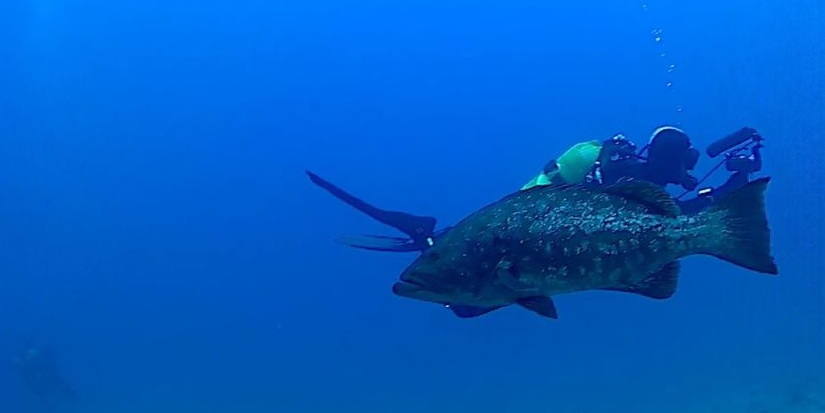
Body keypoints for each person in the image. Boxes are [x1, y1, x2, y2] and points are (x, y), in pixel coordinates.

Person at [306, 125, 765, 252]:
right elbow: (672, 215)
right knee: (480, 253)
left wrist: (724, 183)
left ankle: (433, 239)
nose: (683, 171)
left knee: (482, 243)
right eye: (679, 163)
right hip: (542, 215)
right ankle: (429, 241)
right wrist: (726, 190)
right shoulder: (633, 177)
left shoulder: (635, 166)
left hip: (540, 210)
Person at [9, 342, 77, 409]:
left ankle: (71, 399)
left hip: (47, 375)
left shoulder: (34, 356)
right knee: (47, 388)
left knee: (58, 384)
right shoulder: (25, 360)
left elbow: (46, 360)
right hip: (42, 378)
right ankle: (50, 403)